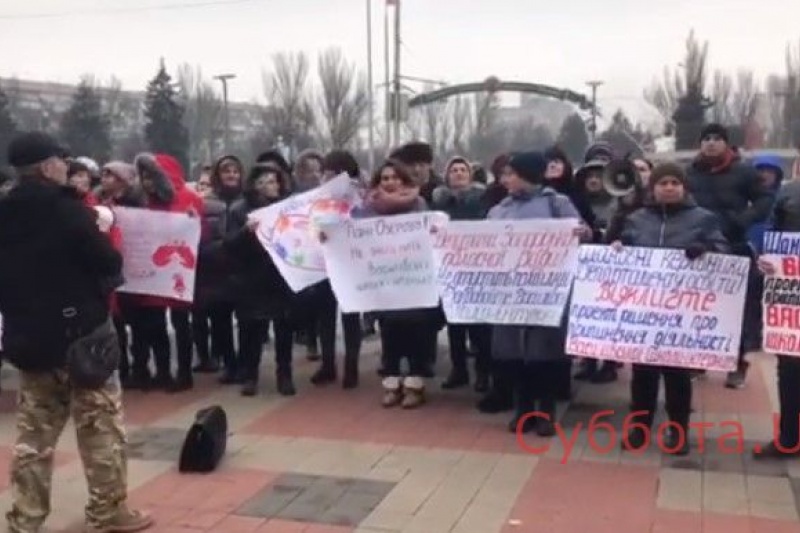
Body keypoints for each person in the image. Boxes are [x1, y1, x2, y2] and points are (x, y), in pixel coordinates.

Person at [0, 132, 152, 533]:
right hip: (83, 340)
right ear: (49, 166)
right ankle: (107, 513)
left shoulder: (4, 212)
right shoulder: (68, 211)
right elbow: (107, 261)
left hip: (29, 341)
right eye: (62, 161)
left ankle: (25, 520)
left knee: (34, 439)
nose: (67, 167)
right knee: (100, 429)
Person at [613, 162, 728, 456]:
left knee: (677, 376)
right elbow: (618, 248)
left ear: (684, 187)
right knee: (643, 376)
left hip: (682, 316)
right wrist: (618, 247)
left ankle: (678, 432)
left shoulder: (703, 219)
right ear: (652, 188)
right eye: (662, 183)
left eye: (674, 183)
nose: (668, 187)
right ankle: (640, 429)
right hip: (644, 312)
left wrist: (706, 250)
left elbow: (725, 252)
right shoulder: (637, 218)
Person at [488, 151, 589, 437]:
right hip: (509, 291)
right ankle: (523, 410)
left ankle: (545, 411)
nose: (506, 179)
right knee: (515, 354)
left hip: (546, 291)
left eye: (512, 174)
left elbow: (584, 233)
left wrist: (581, 233)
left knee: (542, 354)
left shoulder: (557, 203)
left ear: (528, 175)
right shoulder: (500, 208)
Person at [347, 159, 441, 408]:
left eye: (395, 177)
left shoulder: (418, 203)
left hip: (413, 279)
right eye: (385, 178)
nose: (390, 182)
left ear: (404, 179)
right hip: (383, 280)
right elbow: (350, 235)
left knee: (416, 334)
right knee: (390, 334)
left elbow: (431, 234)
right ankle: (391, 383)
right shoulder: (368, 207)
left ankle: (414, 384)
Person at [686, 123, 774, 389]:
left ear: (725, 143)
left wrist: (743, 220)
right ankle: (698, 360)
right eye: (706, 138)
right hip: (699, 248)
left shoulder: (743, 171)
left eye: (717, 138)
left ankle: (737, 364)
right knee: (698, 306)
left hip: (734, 245)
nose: (711, 143)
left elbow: (764, 199)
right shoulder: (690, 173)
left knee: (737, 310)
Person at [226, 163, 298, 397]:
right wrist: (246, 232)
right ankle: (250, 375)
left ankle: (284, 374)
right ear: (254, 185)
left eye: (274, 181)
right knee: (251, 331)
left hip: (280, 277)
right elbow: (228, 245)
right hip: (252, 279)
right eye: (265, 182)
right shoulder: (240, 210)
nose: (271, 186)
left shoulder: (288, 207)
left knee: (284, 328)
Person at [431, 156, 492, 393]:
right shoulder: (439, 202)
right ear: (447, 176)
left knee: (479, 325)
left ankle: (483, 372)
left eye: (462, 170)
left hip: (477, 268)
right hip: (449, 270)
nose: (458, 173)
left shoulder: (482, 199)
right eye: (453, 170)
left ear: (470, 175)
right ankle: (459, 370)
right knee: (455, 323)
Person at [307, 150, 365, 389]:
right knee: (325, 316)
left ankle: (351, 366)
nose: (329, 178)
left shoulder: (360, 196)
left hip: (351, 262)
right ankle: (328, 364)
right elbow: (307, 224)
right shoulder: (316, 197)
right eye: (326, 173)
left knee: (351, 316)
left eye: (334, 173)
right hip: (325, 262)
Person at [753, 168, 800, 459]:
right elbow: (770, 233)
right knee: (790, 369)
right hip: (790, 291)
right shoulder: (788, 193)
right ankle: (789, 437)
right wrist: (767, 259)